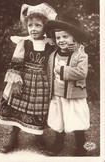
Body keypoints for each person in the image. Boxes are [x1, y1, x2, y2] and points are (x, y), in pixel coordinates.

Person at [0, 3, 57, 153]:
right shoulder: (24, 42)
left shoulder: (50, 44)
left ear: (45, 27)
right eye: (30, 25)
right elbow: (16, 62)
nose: (33, 28)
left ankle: (38, 136)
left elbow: (53, 62)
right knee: (16, 106)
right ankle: (13, 137)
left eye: (38, 25)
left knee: (39, 109)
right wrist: (15, 82)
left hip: (42, 82)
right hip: (24, 80)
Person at [44, 17, 90, 156]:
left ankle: (80, 145)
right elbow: (49, 72)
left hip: (73, 95)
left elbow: (82, 72)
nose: (61, 40)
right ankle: (58, 142)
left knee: (76, 118)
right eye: (58, 37)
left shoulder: (80, 55)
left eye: (65, 36)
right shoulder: (53, 54)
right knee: (58, 117)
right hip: (57, 94)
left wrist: (63, 70)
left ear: (74, 38)